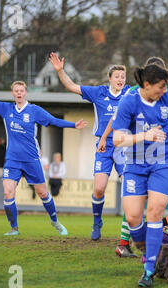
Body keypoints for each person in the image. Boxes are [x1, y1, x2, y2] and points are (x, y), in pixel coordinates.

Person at [0, 73, 87, 236]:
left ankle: (55, 221)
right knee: (8, 192)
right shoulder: (6, 109)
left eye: (21, 90)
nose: (19, 93)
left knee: (42, 193)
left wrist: (73, 125)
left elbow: (53, 120)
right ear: (12, 93)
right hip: (12, 160)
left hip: (32, 159)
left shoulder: (34, 110)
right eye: (16, 90)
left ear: (25, 92)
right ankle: (14, 228)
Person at [111, 64, 168, 288]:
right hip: (135, 165)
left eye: (165, 87)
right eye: (160, 86)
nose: (164, 91)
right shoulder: (129, 102)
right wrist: (144, 135)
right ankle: (154, 250)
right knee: (133, 219)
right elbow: (118, 139)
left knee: (154, 213)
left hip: (163, 163)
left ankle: (149, 270)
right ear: (146, 85)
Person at [49, 53, 131, 244]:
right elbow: (71, 86)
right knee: (99, 188)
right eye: (117, 76)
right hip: (103, 146)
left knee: (129, 187)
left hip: (124, 145)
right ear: (109, 79)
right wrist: (60, 71)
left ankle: (129, 231)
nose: (120, 80)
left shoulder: (129, 93)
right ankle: (96, 222)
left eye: (123, 77)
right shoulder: (98, 92)